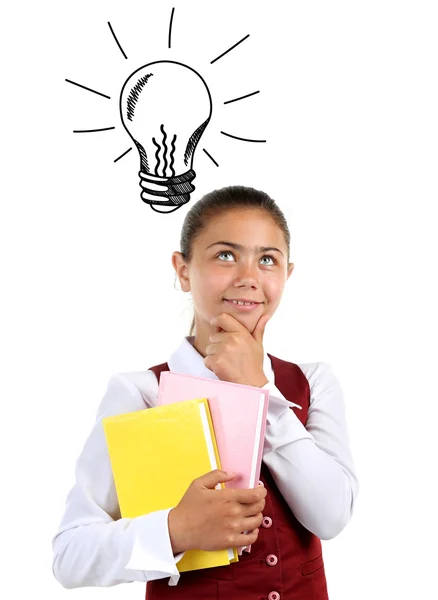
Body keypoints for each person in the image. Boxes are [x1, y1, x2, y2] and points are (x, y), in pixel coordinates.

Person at [52, 185, 359, 599]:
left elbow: (332, 516)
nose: (249, 278)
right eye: (225, 255)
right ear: (182, 270)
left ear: (287, 275)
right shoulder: (143, 394)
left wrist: (257, 389)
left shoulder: (313, 383)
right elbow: (70, 555)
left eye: (267, 259)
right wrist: (175, 530)